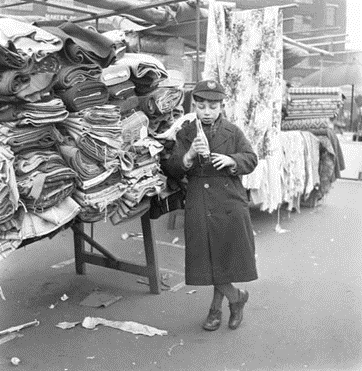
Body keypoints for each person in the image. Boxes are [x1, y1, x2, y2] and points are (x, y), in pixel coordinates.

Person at [163, 80, 258, 331]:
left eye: (212, 106)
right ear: (194, 105)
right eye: (201, 106)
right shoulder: (186, 133)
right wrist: (189, 155)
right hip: (199, 200)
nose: (207, 111)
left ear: (221, 106)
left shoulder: (233, 131)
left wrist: (231, 159)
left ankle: (215, 310)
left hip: (229, 199)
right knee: (207, 257)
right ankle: (236, 298)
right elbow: (171, 168)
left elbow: (251, 159)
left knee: (223, 256)